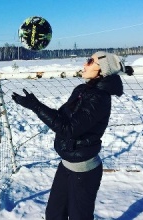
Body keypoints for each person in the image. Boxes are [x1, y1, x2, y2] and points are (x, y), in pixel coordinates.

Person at [12, 51, 133, 220]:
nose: (84, 64)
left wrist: (36, 106)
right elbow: (62, 117)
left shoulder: (99, 98)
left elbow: (69, 129)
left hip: (84, 171)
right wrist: (35, 105)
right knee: (54, 214)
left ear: (102, 70)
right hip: (66, 164)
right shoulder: (82, 89)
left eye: (90, 61)